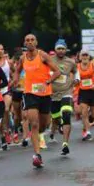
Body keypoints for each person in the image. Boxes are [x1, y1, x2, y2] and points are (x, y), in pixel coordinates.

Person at [13, 34, 60, 168]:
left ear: (36, 42)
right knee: (33, 123)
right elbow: (17, 70)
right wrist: (16, 79)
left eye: (32, 40)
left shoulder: (43, 56)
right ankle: (37, 155)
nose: (30, 42)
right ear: (25, 43)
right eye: (27, 40)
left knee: (44, 124)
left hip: (45, 94)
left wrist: (48, 81)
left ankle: (40, 134)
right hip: (30, 93)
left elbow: (57, 72)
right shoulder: (23, 58)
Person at [51, 39, 78, 154]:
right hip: (53, 94)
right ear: (55, 50)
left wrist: (77, 79)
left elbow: (76, 71)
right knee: (56, 118)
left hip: (66, 92)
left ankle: (65, 144)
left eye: (63, 48)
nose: (61, 51)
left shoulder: (70, 62)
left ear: (65, 49)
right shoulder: (49, 61)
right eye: (59, 48)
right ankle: (60, 125)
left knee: (66, 114)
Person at [77, 50, 94, 141]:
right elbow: (74, 79)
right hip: (82, 92)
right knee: (83, 111)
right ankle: (88, 132)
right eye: (83, 55)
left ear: (89, 57)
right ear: (80, 57)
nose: (84, 57)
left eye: (86, 55)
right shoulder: (77, 67)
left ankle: (88, 122)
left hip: (93, 91)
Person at [0, 43, 14, 145]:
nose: (0, 51)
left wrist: (13, 81)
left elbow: (14, 73)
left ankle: (7, 131)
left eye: (2, 49)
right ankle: (3, 133)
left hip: (6, 89)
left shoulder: (8, 62)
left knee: (6, 109)